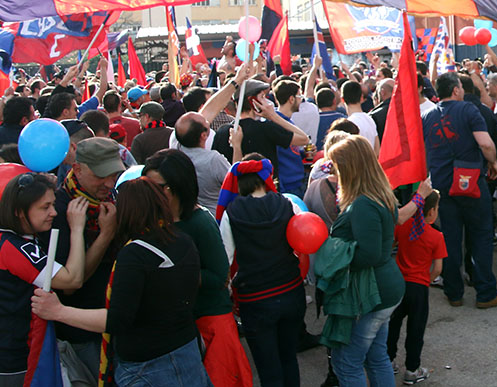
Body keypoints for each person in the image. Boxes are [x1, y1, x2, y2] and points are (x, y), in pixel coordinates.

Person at [32, 178, 210, 387]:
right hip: (186, 351)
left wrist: (59, 311)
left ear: (126, 211)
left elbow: (117, 319)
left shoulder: (135, 254)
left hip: (149, 366)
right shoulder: (182, 240)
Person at [143, 150, 252, 387]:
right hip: (178, 326)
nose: (149, 194)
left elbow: (219, 276)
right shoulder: (153, 219)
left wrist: (173, 275)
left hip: (210, 322)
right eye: (145, 186)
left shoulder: (200, 222)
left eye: (157, 187)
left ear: (177, 186)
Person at [0, 174, 87, 387]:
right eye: (45, 207)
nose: (54, 212)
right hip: (3, 365)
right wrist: (77, 229)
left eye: (53, 204)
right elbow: (73, 280)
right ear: (19, 211)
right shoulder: (13, 248)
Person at [217, 153, 305, 387]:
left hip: (255, 299)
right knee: (289, 359)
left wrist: (227, 293)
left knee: (268, 368)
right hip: (291, 290)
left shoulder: (232, 212)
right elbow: (303, 242)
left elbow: (225, 259)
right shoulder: (287, 204)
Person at [323, 135, 405, 386]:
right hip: (383, 289)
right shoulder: (379, 195)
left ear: (350, 168)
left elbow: (370, 254)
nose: (334, 173)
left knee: (346, 363)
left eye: (336, 167)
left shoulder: (363, 204)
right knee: (376, 356)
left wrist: (336, 259)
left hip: (371, 292)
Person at [422, 73, 497, 309]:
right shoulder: (468, 110)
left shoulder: (427, 116)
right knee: (480, 236)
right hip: (470, 183)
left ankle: (454, 293)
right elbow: (486, 143)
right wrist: (493, 162)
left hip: (441, 186)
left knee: (450, 239)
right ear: (456, 90)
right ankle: (485, 293)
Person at [42, 137, 121, 382]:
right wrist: (106, 235)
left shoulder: (112, 198)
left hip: (112, 321)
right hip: (80, 331)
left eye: (114, 175)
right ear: (77, 169)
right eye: (101, 176)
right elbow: (71, 284)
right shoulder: (57, 210)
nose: (109, 183)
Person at [387, 190, 445, 385]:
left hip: (398, 284)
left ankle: (388, 361)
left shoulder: (402, 227)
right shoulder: (436, 236)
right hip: (419, 287)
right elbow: (438, 268)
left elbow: (390, 246)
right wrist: (427, 280)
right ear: (432, 212)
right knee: (415, 330)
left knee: (392, 325)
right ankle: (412, 369)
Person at [174, 112, 233, 216]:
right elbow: (235, 183)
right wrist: (236, 146)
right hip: (215, 217)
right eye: (205, 121)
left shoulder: (176, 152)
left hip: (187, 215)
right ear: (204, 135)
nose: (208, 121)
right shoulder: (213, 160)